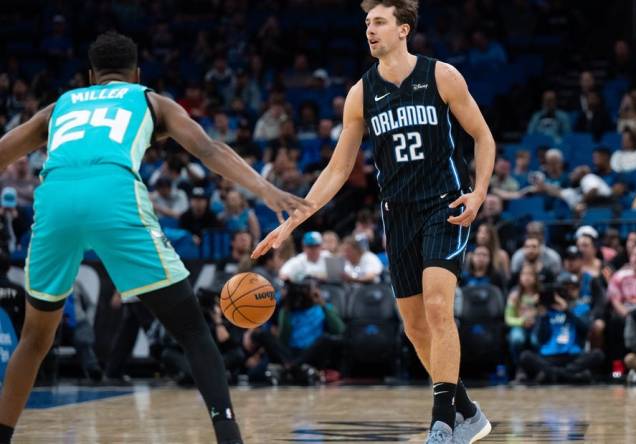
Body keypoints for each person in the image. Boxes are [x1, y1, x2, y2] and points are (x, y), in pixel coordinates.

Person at [0, 32, 311, 444]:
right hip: (113, 193)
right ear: (137, 73)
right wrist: (266, 190)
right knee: (193, 331)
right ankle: (229, 437)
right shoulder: (149, 99)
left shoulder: (61, 106)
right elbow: (209, 148)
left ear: (91, 76)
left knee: (35, 338)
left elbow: (4, 151)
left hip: (54, 198)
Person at [251, 2, 496, 442]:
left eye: (379, 22)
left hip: (445, 207)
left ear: (403, 29)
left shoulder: (442, 76)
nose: (370, 29)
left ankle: (442, 422)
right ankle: (469, 412)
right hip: (396, 215)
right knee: (416, 326)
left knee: (439, 308)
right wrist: (291, 221)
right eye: (366, 23)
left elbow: (483, 136)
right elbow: (338, 170)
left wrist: (479, 193)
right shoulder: (360, 93)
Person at [518, 284, 605, 384]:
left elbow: (585, 328)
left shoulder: (578, 310)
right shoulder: (545, 314)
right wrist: (543, 316)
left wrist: (567, 310)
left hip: (572, 355)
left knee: (598, 354)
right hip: (549, 356)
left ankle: (555, 375)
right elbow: (540, 338)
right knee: (525, 356)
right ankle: (568, 376)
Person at [505, 264, 540, 369]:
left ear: (535, 278)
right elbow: (508, 319)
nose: (527, 277)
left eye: (530, 274)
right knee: (517, 338)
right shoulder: (514, 295)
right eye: (524, 274)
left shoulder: (541, 295)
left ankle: (539, 368)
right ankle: (519, 368)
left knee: (536, 339)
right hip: (520, 326)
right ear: (520, 277)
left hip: (537, 326)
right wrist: (522, 322)